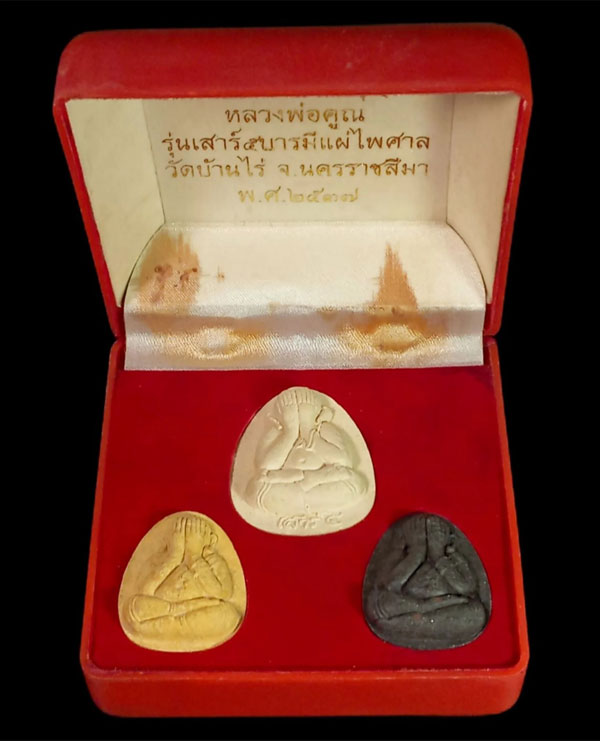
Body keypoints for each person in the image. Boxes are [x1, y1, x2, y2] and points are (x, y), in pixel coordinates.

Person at [245, 388, 366, 517]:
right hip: (286, 486)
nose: (297, 413)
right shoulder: (275, 432)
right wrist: (290, 433)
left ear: (317, 412)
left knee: (354, 482)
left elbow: (344, 461)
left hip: (322, 484)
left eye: (304, 410)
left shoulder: (324, 429)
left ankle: (311, 484)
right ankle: (306, 493)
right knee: (255, 489)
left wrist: (309, 433)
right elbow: (264, 466)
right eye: (291, 411)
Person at [127, 515, 240, 642]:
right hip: (164, 609)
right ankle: (173, 617)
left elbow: (223, 594)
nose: (186, 539)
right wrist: (174, 556)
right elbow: (145, 592)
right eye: (181, 533)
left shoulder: (212, 559)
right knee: (134, 608)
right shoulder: (162, 557)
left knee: (228, 615)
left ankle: (172, 626)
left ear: (210, 539)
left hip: (195, 615)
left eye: (194, 532)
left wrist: (194, 557)